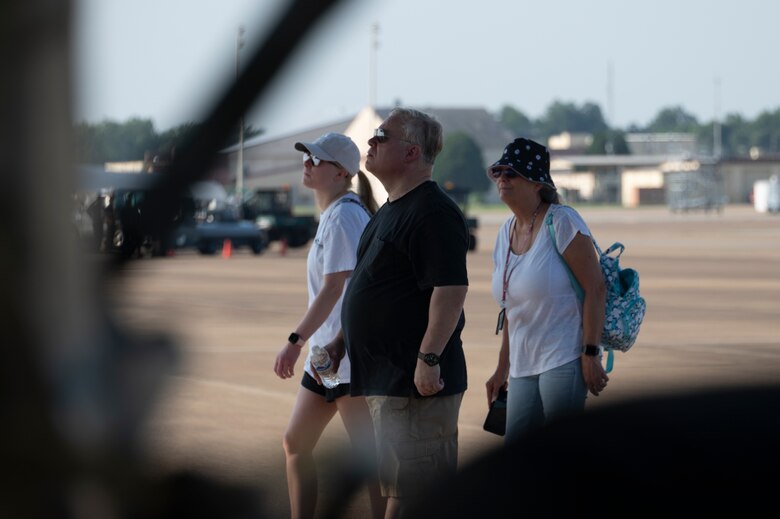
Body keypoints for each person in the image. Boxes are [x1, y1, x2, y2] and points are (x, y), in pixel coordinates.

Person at [318, 108, 470, 519]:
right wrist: (339, 343)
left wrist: (429, 359)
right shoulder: (388, 211)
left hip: (414, 384)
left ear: (411, 152)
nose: (371, 142)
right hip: (388, 382)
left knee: (414, 493)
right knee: (400, 490)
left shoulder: (432, 212)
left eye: (381, 135)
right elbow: (374, 292)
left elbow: (451, 290)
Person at [273, 132, 384, 519]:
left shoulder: (345, 216)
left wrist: (294, 339)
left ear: (341, 173)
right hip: (326, 358)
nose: (307, 164)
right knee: (296, 443)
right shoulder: (335, 214)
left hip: (345, 355)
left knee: (368, 457)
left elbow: (334, 287)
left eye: (316, 160)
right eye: (307, 157)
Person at [484, 137, 608, 444]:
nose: (502, 178)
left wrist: (590, 353)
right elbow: (512, 311)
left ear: (537, 182)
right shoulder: (505, 232)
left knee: (559, 456)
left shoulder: (562, 221)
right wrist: (502, 368)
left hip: (563, 359)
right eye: (498, 171)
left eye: (511, 173)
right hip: (523, 365)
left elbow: (596, 288)